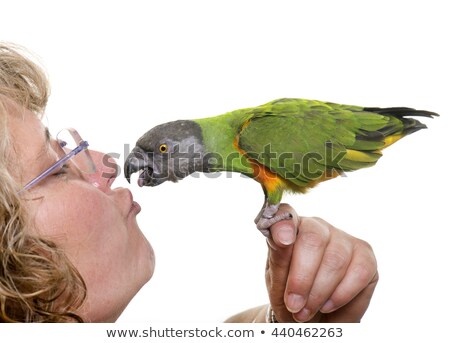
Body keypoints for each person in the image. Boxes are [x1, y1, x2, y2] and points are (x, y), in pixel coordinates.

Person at [0, 43, 378, 323]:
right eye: (59, 166)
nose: (108, 163)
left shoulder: (254, 134)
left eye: (67, 146)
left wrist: (289, 325)